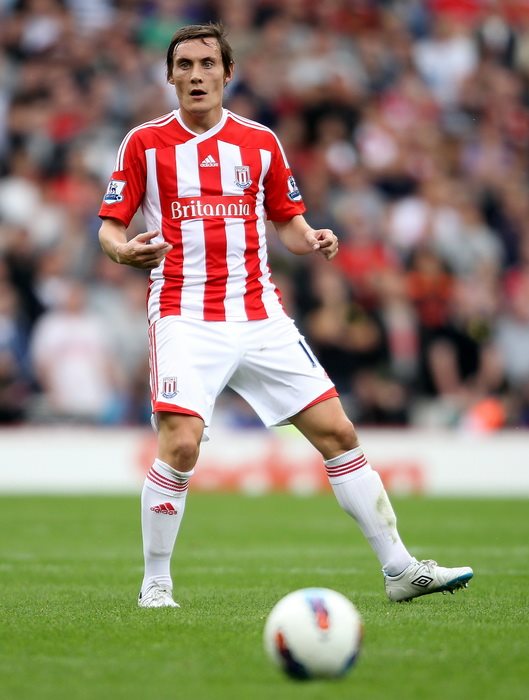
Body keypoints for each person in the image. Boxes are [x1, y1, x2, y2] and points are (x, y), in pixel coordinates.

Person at [98, 23, 473, 608]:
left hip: (259, 313)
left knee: (338, 432)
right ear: (170, 76)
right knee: (182, 443)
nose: (196, 75)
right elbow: (109, 228)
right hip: (183, 312)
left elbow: (289, 225)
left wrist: (314, 237)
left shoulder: (260, 142)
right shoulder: (144, 143)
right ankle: (156, 583)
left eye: (207, 64)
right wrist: (123, 251)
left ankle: (400, 569)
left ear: (228, 73)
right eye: (184, 65)